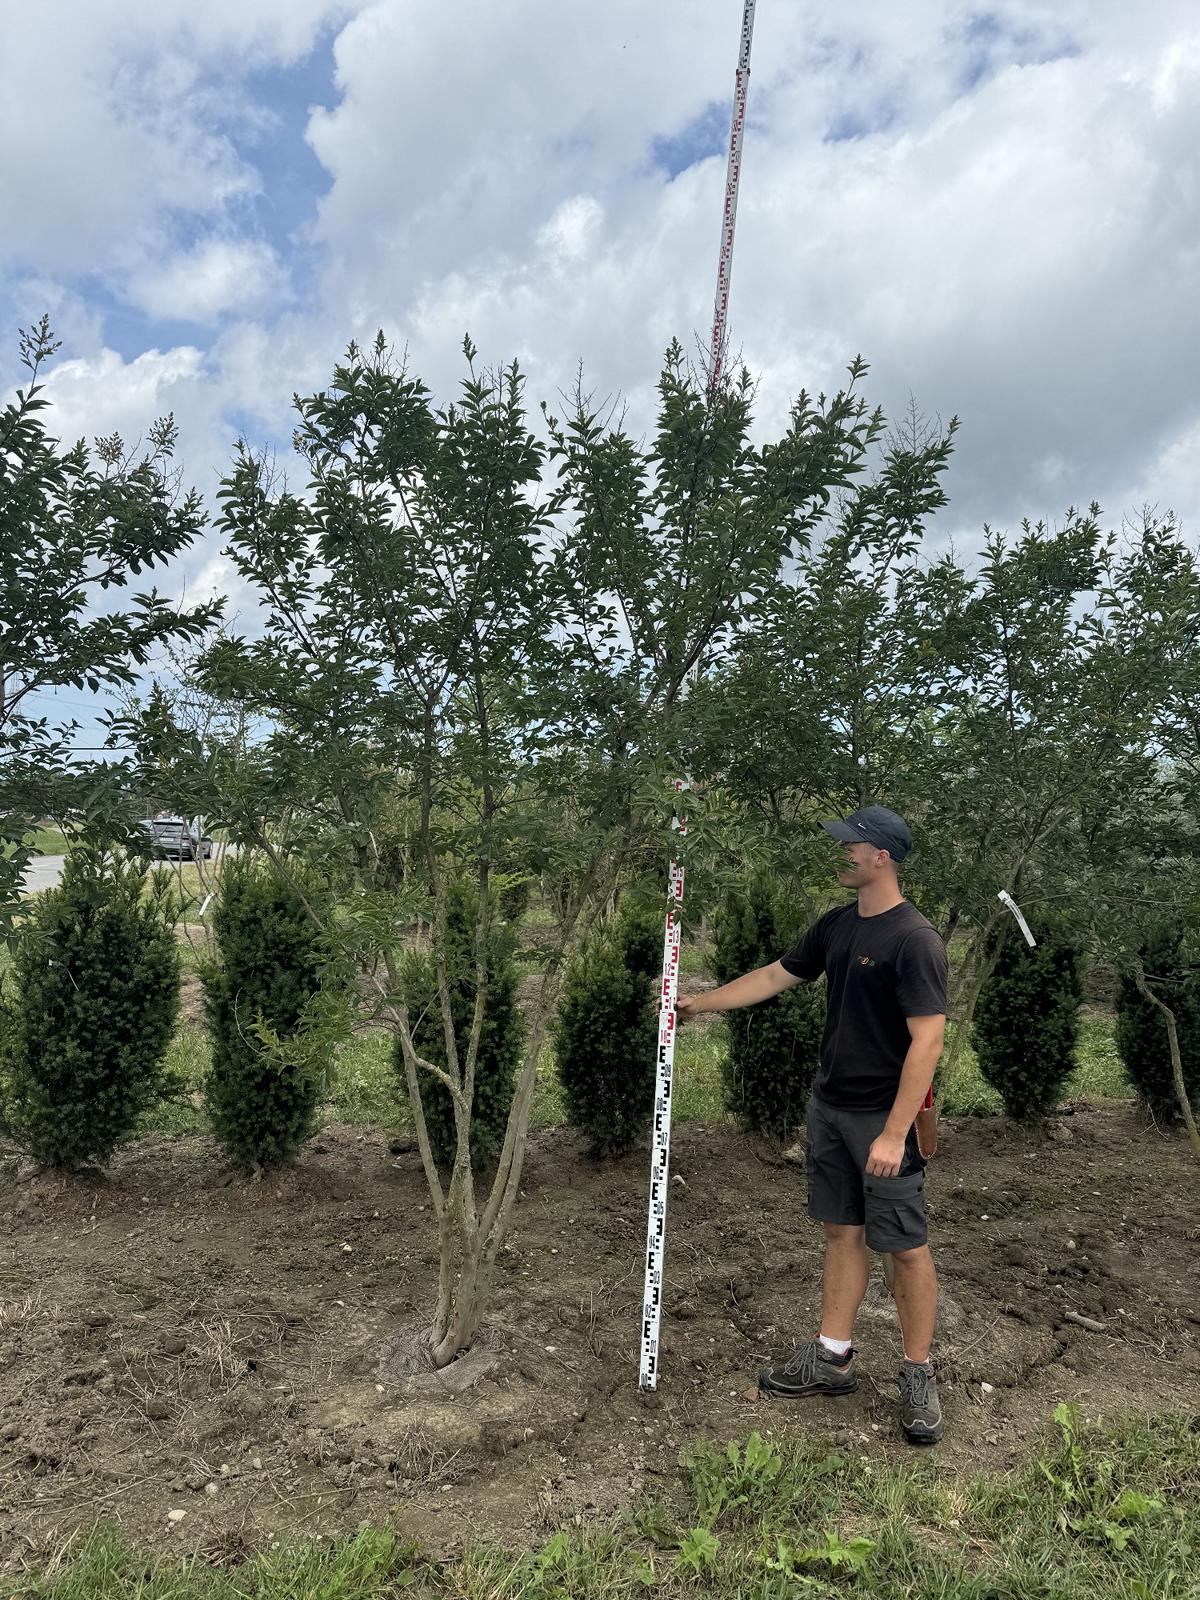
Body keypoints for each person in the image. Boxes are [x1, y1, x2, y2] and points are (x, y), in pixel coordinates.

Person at [677, 805, 948, 1444]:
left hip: (885, 1120)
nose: (840, 853)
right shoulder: (838, 926)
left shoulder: (916, 940)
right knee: (841, 1231)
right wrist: (698, 1005)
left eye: (848, 845)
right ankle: (832, 1357)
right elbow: (777, 975)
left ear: (880, 855)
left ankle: (917, 1373)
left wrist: (892, 1132)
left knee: (905, 1247)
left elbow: (928, 1042)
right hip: (829, 1108)